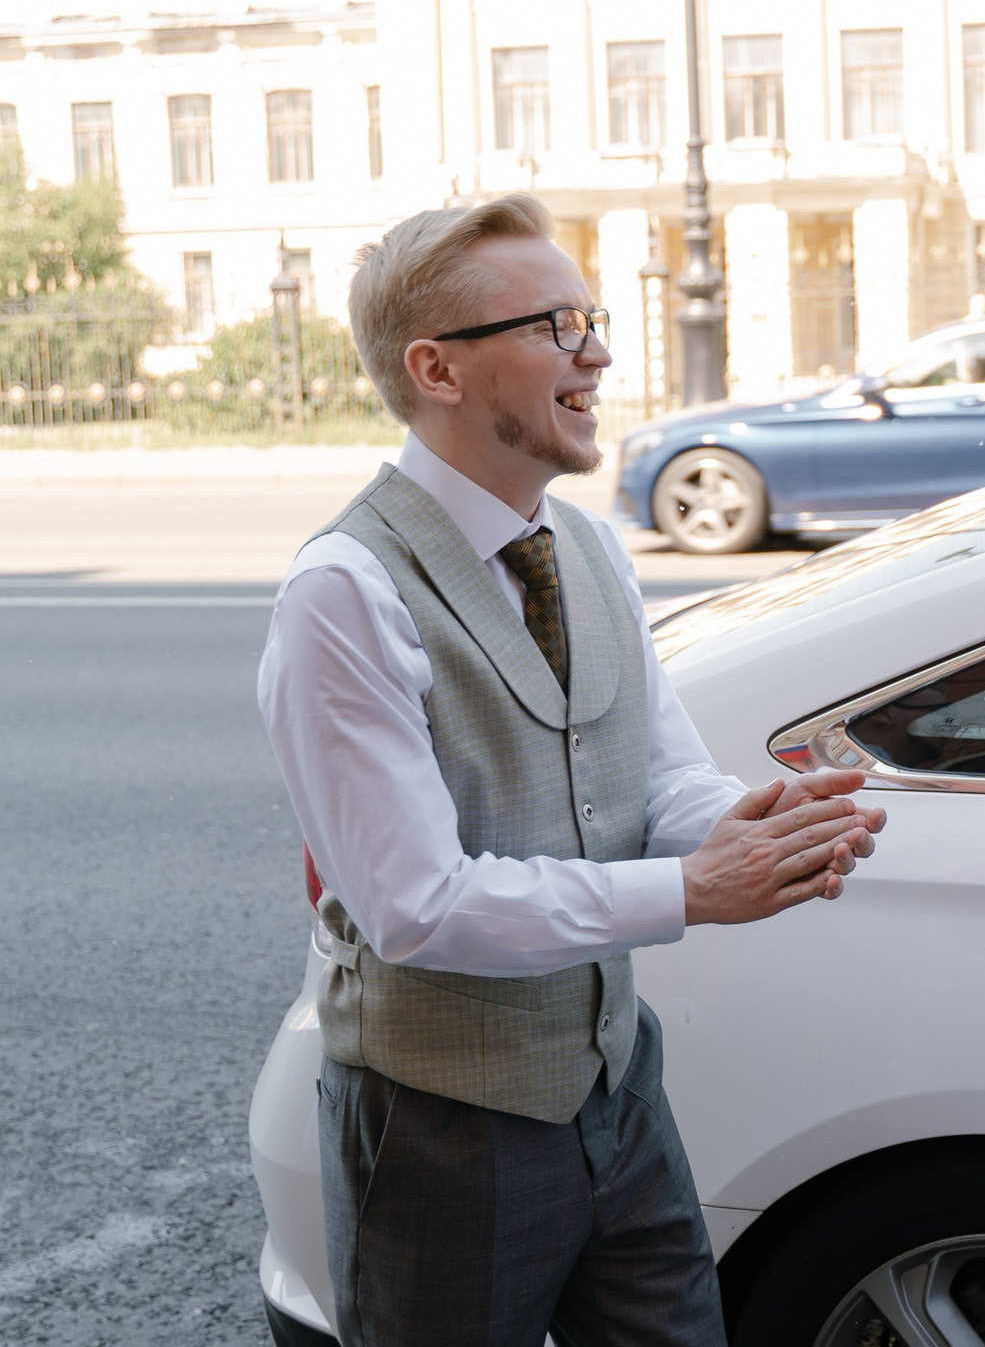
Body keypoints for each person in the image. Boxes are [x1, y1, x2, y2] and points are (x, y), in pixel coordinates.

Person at [258, 193, 885, 1347]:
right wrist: (695, 889)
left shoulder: (585, 540)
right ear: (437, 370)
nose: (597, 348)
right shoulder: (345, 592)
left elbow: (658, 774)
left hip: (616, 1086)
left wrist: (755, 821)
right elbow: (415, 905)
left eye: (586, 315)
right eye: (554, 325)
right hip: (441, 1120)